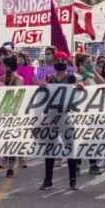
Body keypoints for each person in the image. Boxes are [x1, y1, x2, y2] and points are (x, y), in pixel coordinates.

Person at [39, 59, 82, 191]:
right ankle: (48, 180)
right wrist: (42, 87)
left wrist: (80, 86)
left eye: (62, 60)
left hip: (66, 116)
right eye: (58, 60)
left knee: (69, 147)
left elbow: (80, 87)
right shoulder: (49, 78)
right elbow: (43, 93)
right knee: (50, 148)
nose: (60, 63)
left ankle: (73, 180)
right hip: (52, 116)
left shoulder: (71, 78)